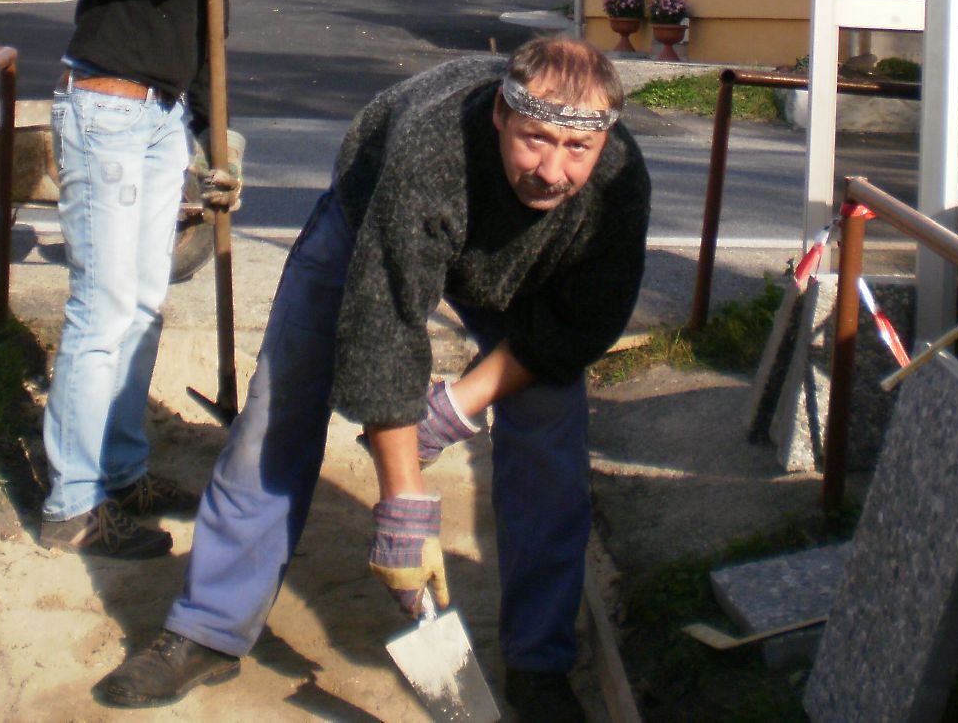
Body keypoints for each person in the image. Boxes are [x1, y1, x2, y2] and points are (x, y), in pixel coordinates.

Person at [92, 36, 650, 723]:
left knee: (551, 436)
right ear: (502, 115)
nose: (553, 169)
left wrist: (455, 409)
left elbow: (576, 326)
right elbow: (387, 325)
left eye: (576, 149)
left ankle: (540, 663)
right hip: (370, 220)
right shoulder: (432, 151)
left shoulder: (616, 184)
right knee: (277, 412)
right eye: (536, 139)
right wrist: (404, 509)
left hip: (523, 275)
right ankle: (209, 625)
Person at [37, 0, 318, 558]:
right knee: (105, 307)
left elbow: (206, 37)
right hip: (106, 104)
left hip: (162, 121)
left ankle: (122, 476)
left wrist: (209, 139)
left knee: (147, 303)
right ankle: (70, 504)